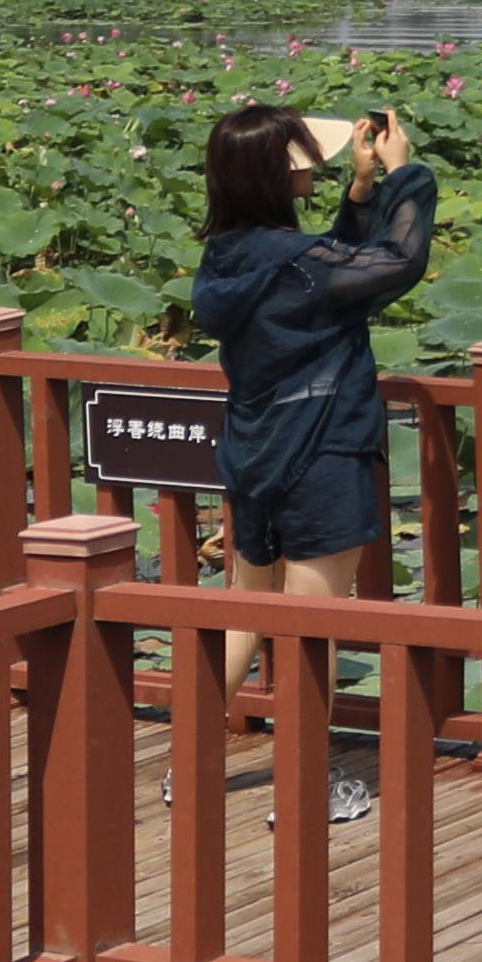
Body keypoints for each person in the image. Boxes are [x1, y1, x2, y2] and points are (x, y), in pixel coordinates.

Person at [190, 99, 436, 817]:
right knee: (312, 628)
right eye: (303, 160)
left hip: (255, 451)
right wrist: (405, 174)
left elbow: (326, 276)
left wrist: (359, 193)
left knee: (246, 610)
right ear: (278, 174)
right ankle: (305, 789)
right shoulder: (295, 264)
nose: (314, 167)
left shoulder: (228, 256)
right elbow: (394, 263)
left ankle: (190, 764)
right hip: (323, 449)